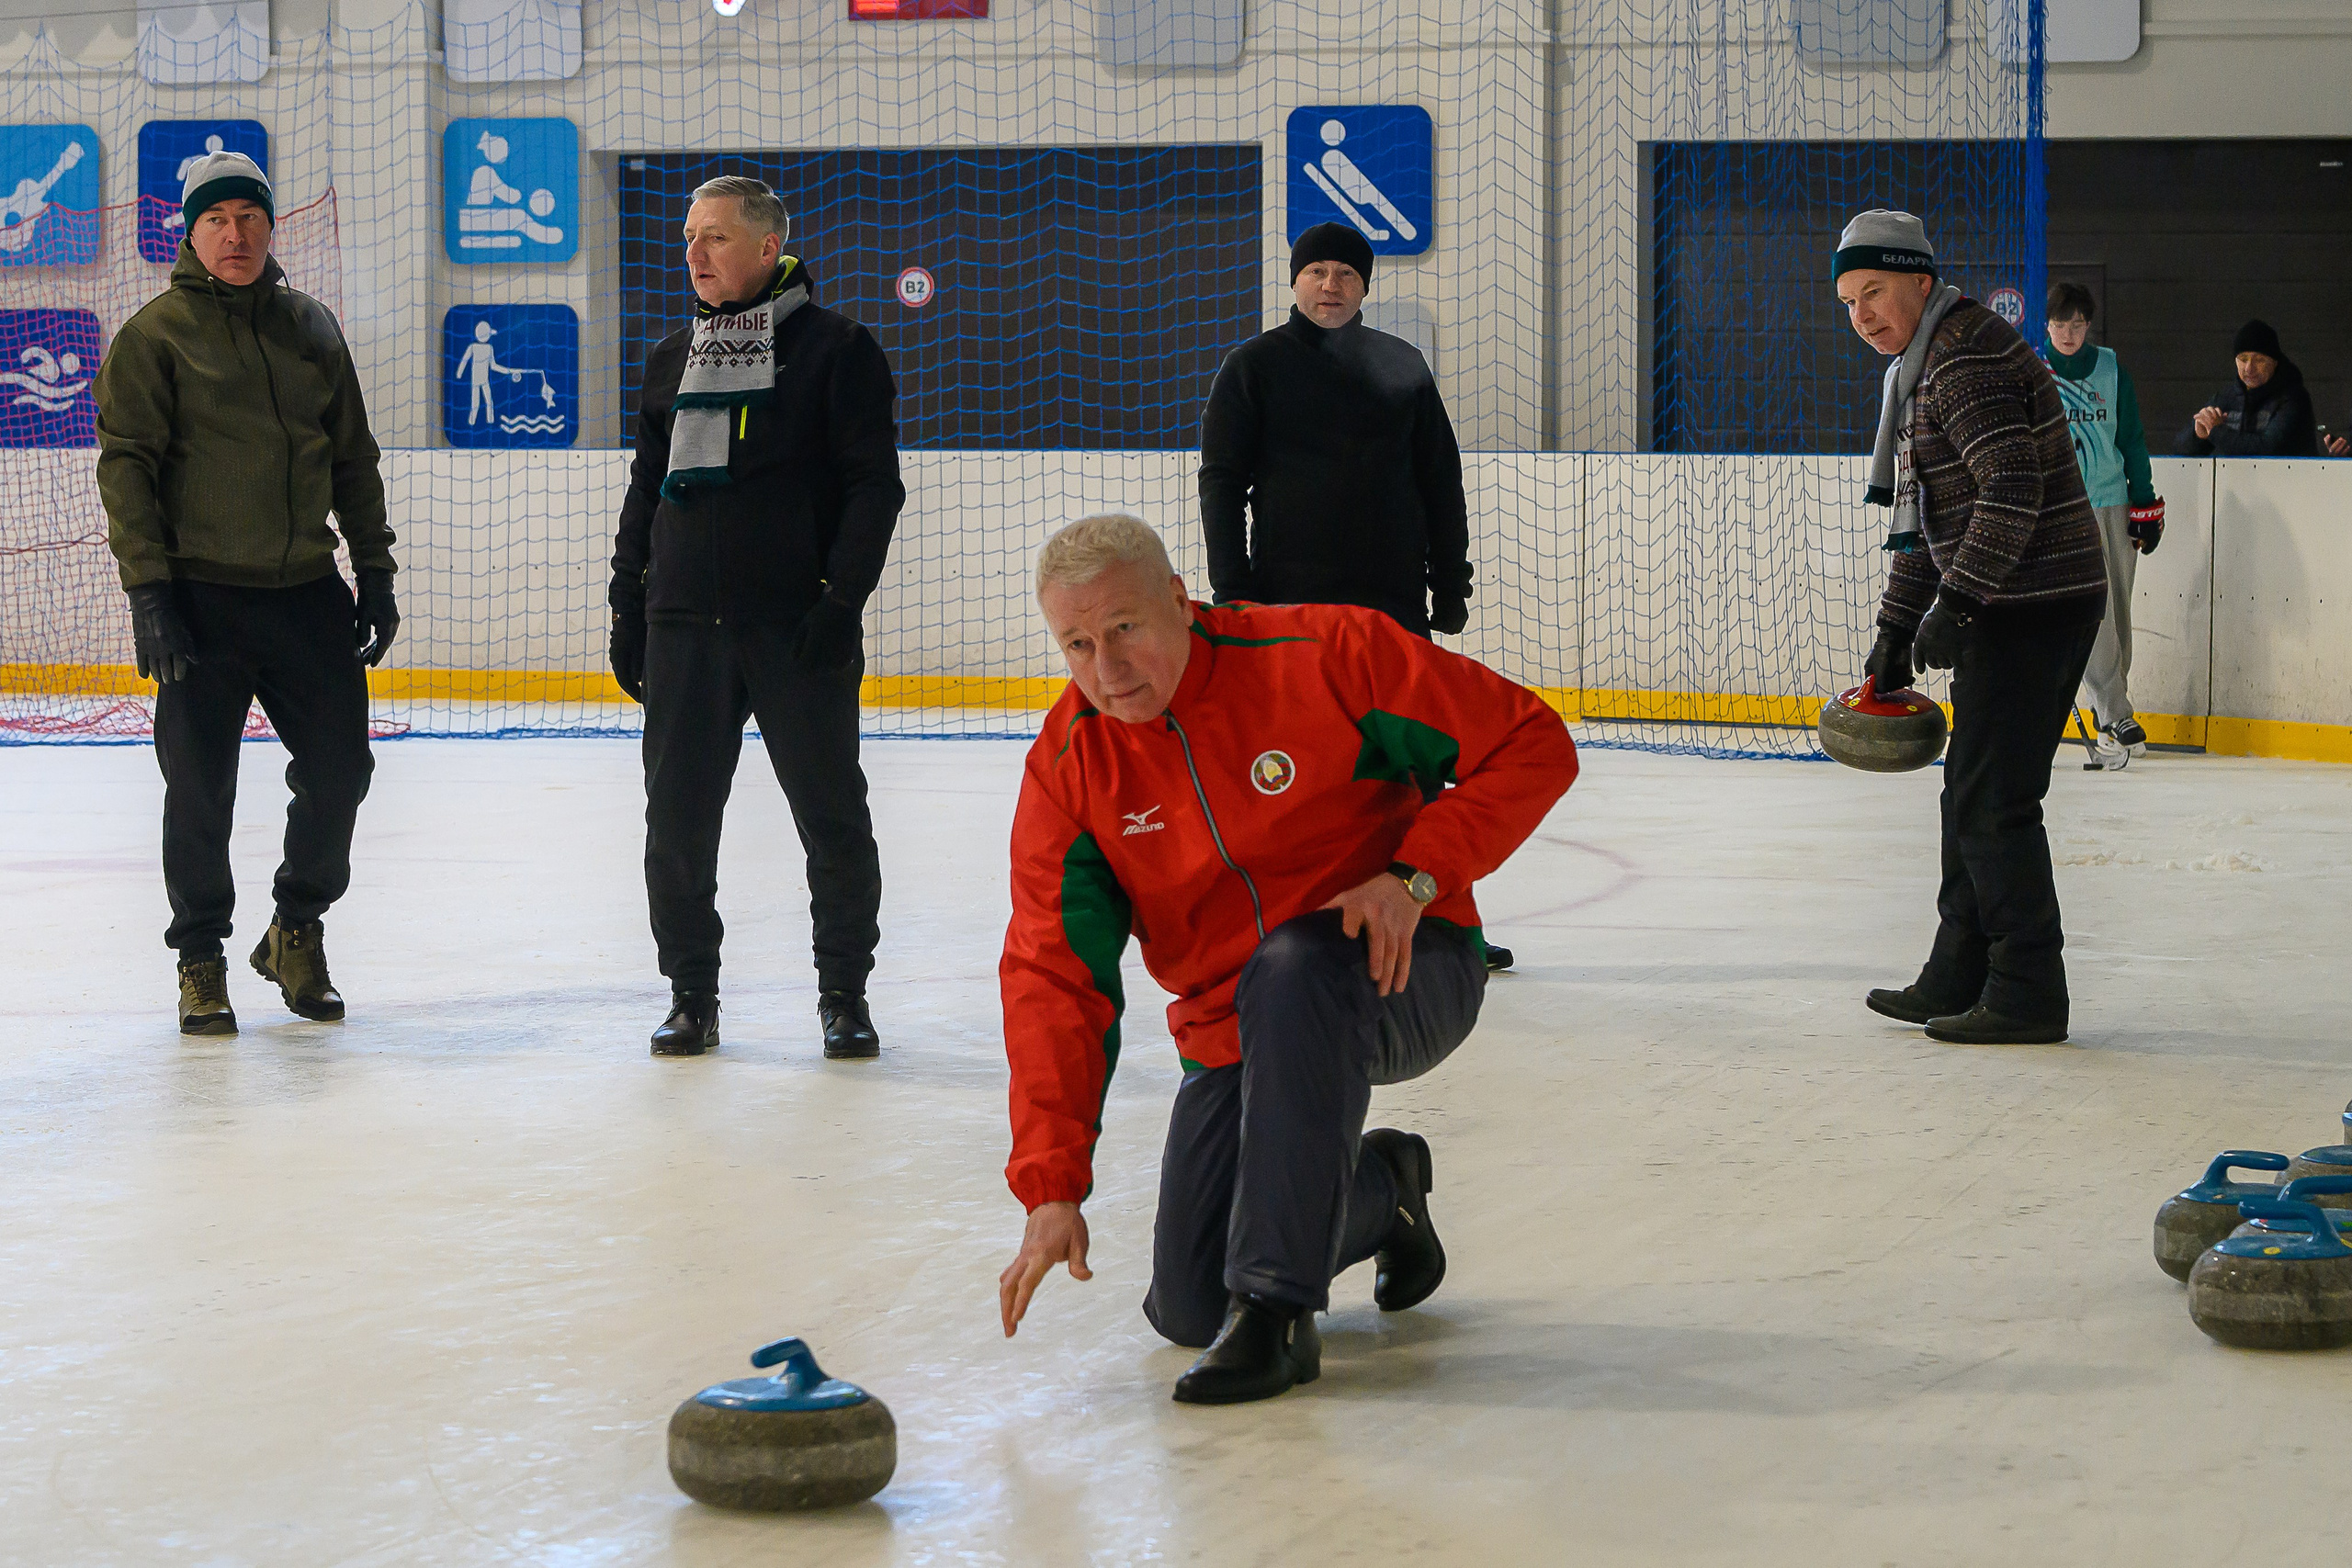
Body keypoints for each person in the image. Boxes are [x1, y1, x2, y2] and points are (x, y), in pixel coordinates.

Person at [994, 514, 1577, 1404]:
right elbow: (1053, 980)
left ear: (1181, 605)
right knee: (1190, 1306)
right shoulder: (1071, 768)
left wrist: (1412, 879)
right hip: (1232, 1029)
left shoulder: (1325, 654)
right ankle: (1386, 1189)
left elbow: (1532, 742)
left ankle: (1278, 1316)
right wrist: (1050, 1185)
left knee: (1296, 964)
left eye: (1125, 630)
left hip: (1402, 969)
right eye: (1075, 643)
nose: (1106, 670)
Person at [95, 150, 397, 1035]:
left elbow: (353, 457)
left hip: (306, 592)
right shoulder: (155, 337)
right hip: (200, 601)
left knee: (343, 770)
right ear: (190, 233)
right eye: (219, 220)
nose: (237, 235)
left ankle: (295, 926)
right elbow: (127, 473)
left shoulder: (311, 328)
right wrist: (150, 594)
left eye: (252, 218)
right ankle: (200, 958)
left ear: (272, 227)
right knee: (199, 789)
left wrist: (373, 567)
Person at [607, 175, 904, 1060]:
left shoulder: (837, 350)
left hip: (794, 627)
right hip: (683, 625)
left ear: (770, 247)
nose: (695, 255)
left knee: (831, 815)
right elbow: (646, 493)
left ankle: (844, 994)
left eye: (717, 238)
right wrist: (630, 605)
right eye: (690, 238)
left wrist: (840, 601)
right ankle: (691, 992)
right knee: (679, 822)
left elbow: (872, 489)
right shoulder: (672, 358)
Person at [1198, 221, 1516, 972]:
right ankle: (1290, 922)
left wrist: (1451, 579)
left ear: (1365, 286)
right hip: (1289, 612)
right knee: (1300, 772)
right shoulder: (1254, 368)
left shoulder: (1400, 366)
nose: (1331, 284)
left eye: (1346, 273)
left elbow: (1441, 481)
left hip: (1393, 605)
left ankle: (1448, 925)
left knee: (1419, 775)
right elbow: (1221, 483)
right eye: (1318, 272)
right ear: (1295, 280)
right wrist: (1232, 590)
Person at [1833, 210, 2107, 1046]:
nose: (1863, 316)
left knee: (1996, 801)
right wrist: (1895, 631)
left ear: (1920, 279)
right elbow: (1927, 523)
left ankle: (2027, 989)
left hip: (2037, 601)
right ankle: (1961, 968)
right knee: (1971, 796)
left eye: (1874, 292)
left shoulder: (1963, 357)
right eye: (1847, 302)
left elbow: (2012, 488)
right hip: (2012, 599)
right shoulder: (1922, 367)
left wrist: (1959, 604)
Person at [2040, 282, 2165, 765]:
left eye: (2077, 324)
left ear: (2088, 325)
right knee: (2094, 614)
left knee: (2119, 611)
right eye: (2059, 323)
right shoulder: (2034, 370)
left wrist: (2144, 503)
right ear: (2046, 324)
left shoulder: (2111, 369)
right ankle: (2115, 712)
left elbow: (2131, 439)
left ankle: (2110, 710)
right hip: (2061, 511)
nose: (2068, 333)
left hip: (2113, 504)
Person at [2177, 320, 2319, 457]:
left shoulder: (2293, 398)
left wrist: (2216, 431)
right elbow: (2180, 449)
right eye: (2243, 359)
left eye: (2259, 360)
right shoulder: (2226, 398)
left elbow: (2266, 449)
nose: (2249, 368)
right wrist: (2198, 436)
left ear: (2275, 362)